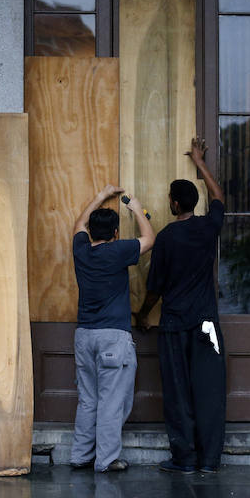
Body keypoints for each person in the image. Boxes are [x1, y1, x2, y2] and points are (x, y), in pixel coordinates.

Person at [134, 136, 227, 475]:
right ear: (194, 202)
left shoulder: (167, 239)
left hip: (174, 326)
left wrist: (143, 315)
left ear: (173, 204)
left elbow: (155, 288)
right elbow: (219, 197)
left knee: (178, 393)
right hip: (206, 326)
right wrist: (200, 162)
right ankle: (210, 461)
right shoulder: (208, 227)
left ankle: (185, 459)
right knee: (209, 392)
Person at [69, 184, 155, 473]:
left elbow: (79, 223)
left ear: (91, 233)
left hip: (84, 336)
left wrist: (99, 197)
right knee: (110, 401)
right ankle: (105, 461)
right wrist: (136, 206)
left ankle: (81, 456)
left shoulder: (81, 250)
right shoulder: (119, 251)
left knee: (88, 399)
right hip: (113, 338)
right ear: (116, 233)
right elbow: (149, 238)